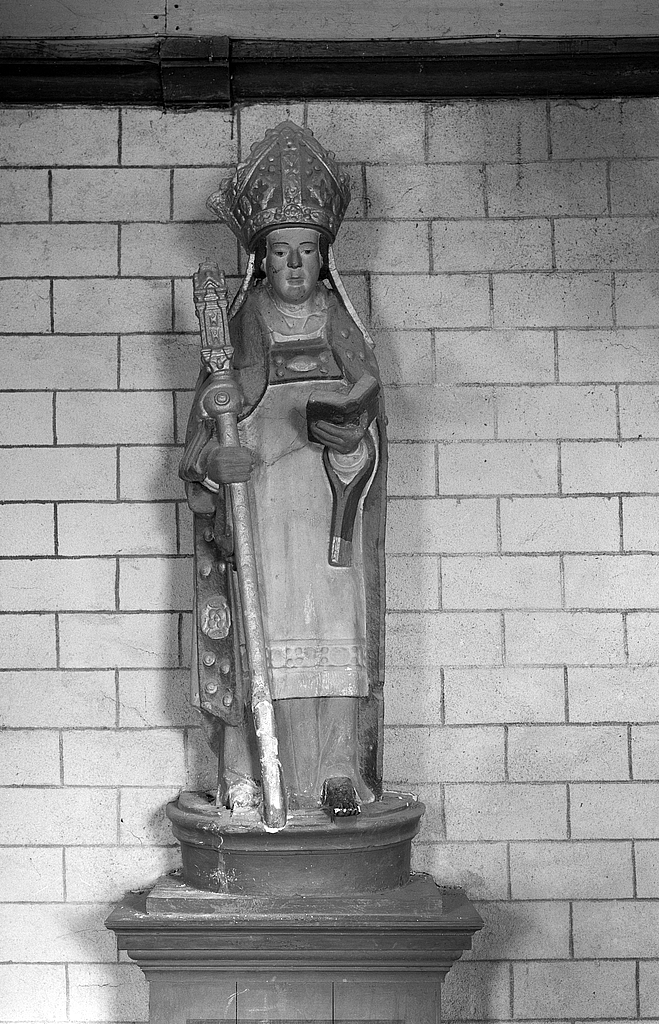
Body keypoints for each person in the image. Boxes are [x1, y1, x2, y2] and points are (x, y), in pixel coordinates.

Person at [179, 122, 387, 818]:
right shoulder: (238, 327)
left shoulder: (337, 317)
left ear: (323, 256)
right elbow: (202, 437)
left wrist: (352, 439)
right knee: (254, 626)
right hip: (261, 502)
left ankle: (334, 768)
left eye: (306, 250)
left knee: (334, 627)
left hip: (327, 501)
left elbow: (367, 405)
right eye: (279, 251)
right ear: (260, 260)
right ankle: (246, 765)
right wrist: (216, 464)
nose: (293, 265)